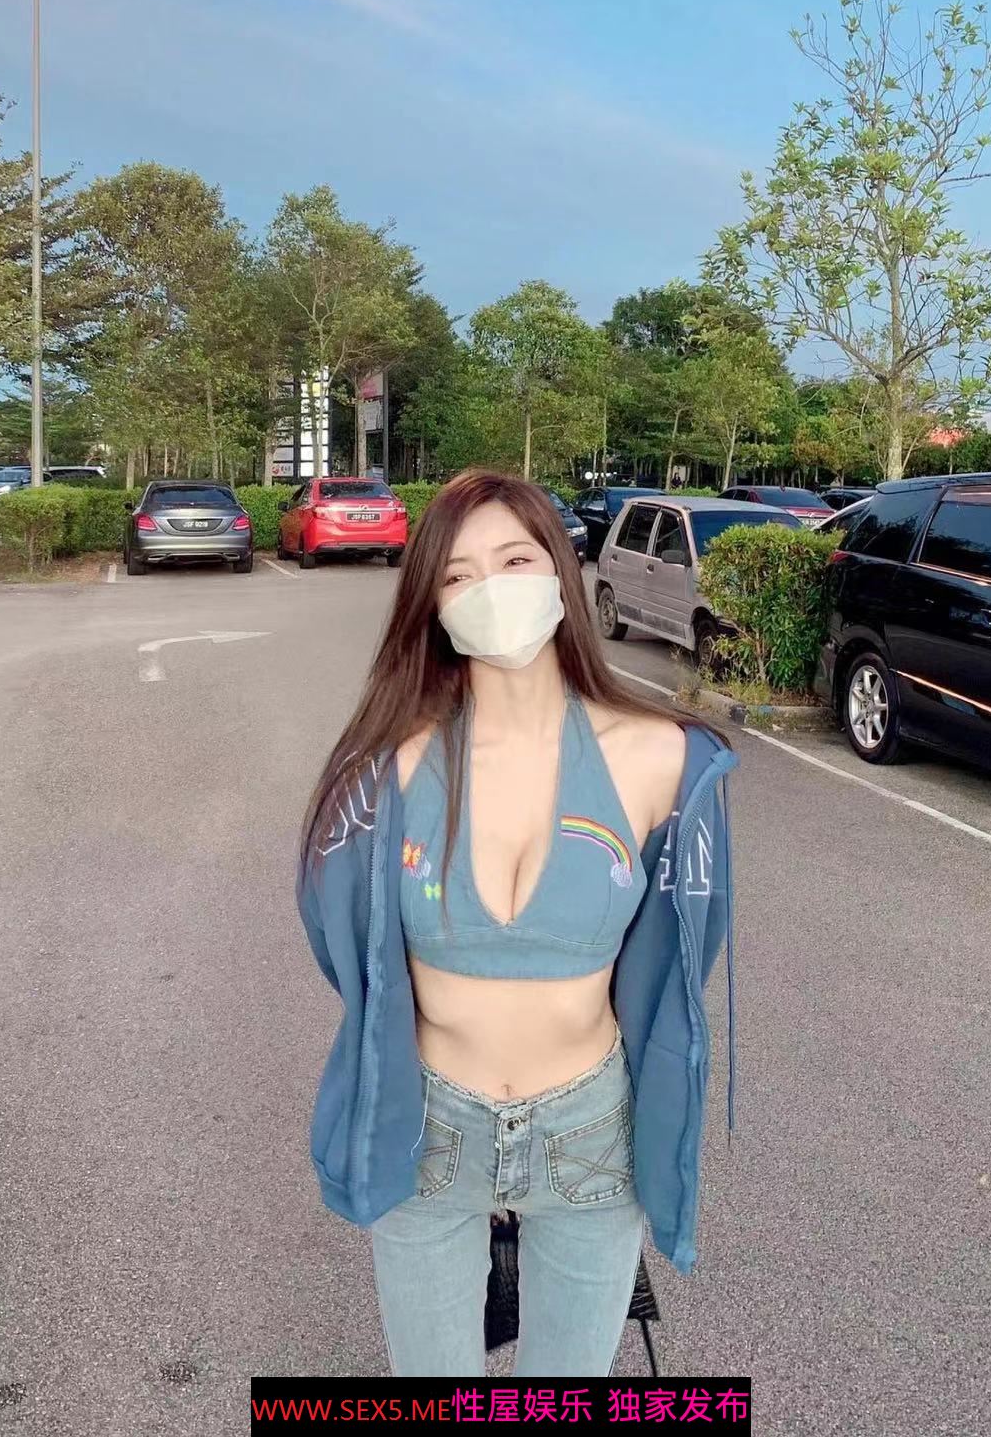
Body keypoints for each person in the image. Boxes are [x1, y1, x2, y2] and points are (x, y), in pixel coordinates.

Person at [297, 470, 736, 1377]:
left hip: (589, 1132)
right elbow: (346, 945)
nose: (489, 590)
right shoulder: (387, 769)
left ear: (561, 572)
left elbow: (681, 952)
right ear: (431, 605)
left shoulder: (659, 759)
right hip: (428, 1128)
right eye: (457, 575)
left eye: (514, 561)